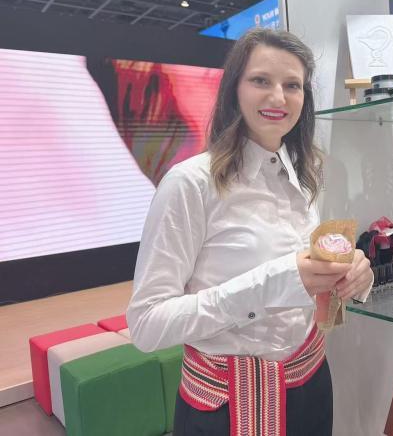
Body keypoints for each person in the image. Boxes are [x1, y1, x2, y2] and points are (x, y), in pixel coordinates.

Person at [127, 28, 374, 436]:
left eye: (292, 85)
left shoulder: (307, 175)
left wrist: (352, 275)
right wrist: (275, 283)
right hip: (226, 406)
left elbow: (311, 279)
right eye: (261, 80)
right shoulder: (190, 184)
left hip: (311, 383)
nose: (278, 97)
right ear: (234, 90)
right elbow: (147, 324)